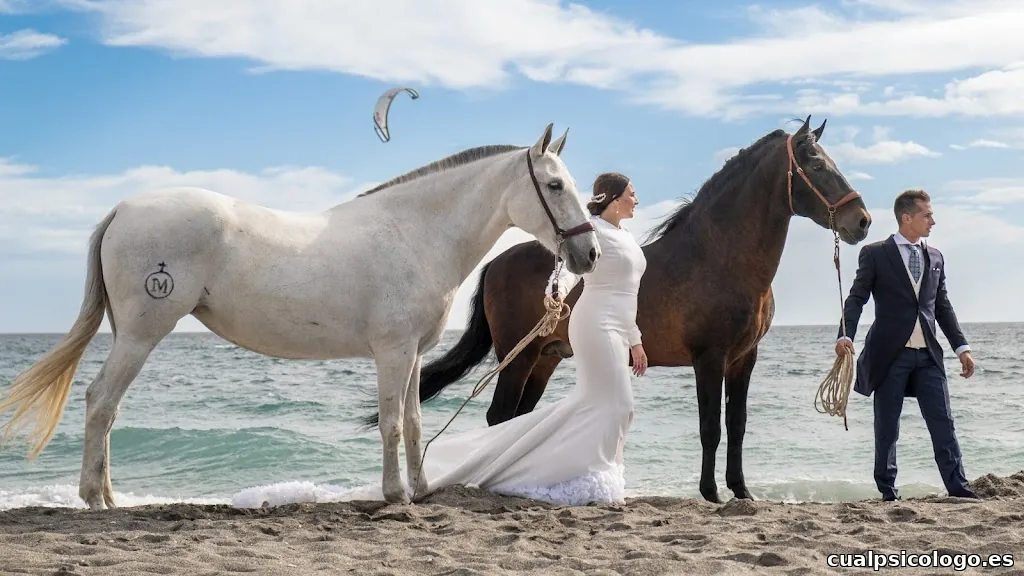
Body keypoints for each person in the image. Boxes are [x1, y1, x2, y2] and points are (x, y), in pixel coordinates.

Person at [231, 172, 648, 508]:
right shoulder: (589, 232)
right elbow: (567, 269)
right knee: (616, 404)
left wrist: (636, 339)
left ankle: (598, 472)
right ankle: (584, 473)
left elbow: (628, 292)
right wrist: (554, 291)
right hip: (593, 324)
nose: (636, 198)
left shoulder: (626, 237)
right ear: (612, 199)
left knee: (612, 406)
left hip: (619, 326)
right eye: (631, 193)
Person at [835, 189, 978, 501]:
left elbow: (942, 306)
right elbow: (857, 298)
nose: (933, 221)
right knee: (887, 428)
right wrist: (845, 335)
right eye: (927, 215)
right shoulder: (875, 254)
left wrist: (961, 348)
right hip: (890, 355)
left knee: (943, 423)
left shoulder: (935, 257)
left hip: (928, 356)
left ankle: (958, 489)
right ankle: (888, 493)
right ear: (906, 217)